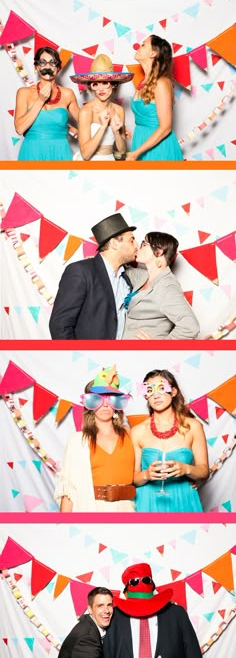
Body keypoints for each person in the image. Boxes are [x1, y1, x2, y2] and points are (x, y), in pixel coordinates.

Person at [103, 563, 207, 658]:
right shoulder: (113, 617)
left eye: (146, 580)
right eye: (135, 581)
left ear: (152, 584)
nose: (141, 583)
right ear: (125, 590)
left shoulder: (176, 614)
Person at [50, 585, 173, 658]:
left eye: (109, 605)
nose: (106, 611)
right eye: (100, 606)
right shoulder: (86, 638)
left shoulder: (93, 624)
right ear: (90, 609)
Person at [55, 366, 136, 512]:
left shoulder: (131, 435)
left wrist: (190, 477)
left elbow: (150, 460)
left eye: (111, 399)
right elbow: (68, 490)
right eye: (98, 399)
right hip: (90, 507)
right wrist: (64, 526)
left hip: (126, 508)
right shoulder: (77, 441)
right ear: (89, 404)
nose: (105, 404)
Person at [49, 213, 137, 339]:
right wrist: (76, 357)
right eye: (131, 240)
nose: (136, 245)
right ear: (114, 244)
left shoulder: (126, 279)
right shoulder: (80, 272)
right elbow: (60, 326)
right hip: (87, 357)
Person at [131, 369, 209, 512]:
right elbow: (134, 477)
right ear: (145, 396)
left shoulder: (193, 426)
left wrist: (186, 468)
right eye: (150, 390)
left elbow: (204, 471)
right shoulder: (137, 431)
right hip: (148, 501)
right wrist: (147, 474)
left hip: (183, 498)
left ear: (173, 392)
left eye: (161, 388)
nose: (156, 395)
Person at [122, 231, 200, 339]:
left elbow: (190, 327)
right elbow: (123, 269)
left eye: (144, 244)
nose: (138, 247)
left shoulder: (167, 287)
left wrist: (158, 348)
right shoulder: (144, 276)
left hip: (143, 354)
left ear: (158, 251)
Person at [14, 47, 80, 160]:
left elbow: (86, 122)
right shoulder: (24, 93)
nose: (48, 67)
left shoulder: (68, 94)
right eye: (43, 62)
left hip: (60, 152)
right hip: (32, 151)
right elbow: (19, 129)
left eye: (53, 63)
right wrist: (40, 100)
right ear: (36, 67)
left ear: (58, 68)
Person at [127, 36, 183, 161]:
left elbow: (165, 127)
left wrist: (137, 153)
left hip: (158, 147)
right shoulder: (143, 82)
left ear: (153, 53)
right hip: (141, 141)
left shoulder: (161, 83)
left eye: (143, 45)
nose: (138, 47)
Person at [71, 55, 132, 160]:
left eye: (105, 83)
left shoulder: (119, 110)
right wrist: (103, 127)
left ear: (113, 85)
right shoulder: (86, 111)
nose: (100, 89)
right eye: (95, 84)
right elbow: (85, 155)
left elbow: (122, 151)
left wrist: (116, 132)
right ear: (91, 87)